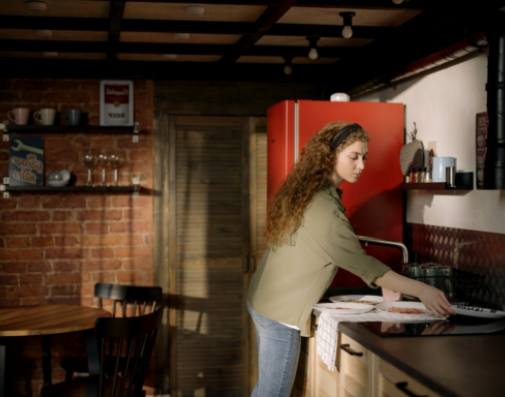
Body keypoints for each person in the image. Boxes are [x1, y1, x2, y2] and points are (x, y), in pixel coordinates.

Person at [247, 122, 453, 397]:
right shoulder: (324, 209)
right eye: (353, 157)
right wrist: (424, 290)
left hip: (266, 300)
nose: (361, 165)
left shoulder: (312, 192)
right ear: (330, 156)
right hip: (280, 312)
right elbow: (364, 265)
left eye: (364, 157)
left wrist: (386, 281)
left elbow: (352, 259)